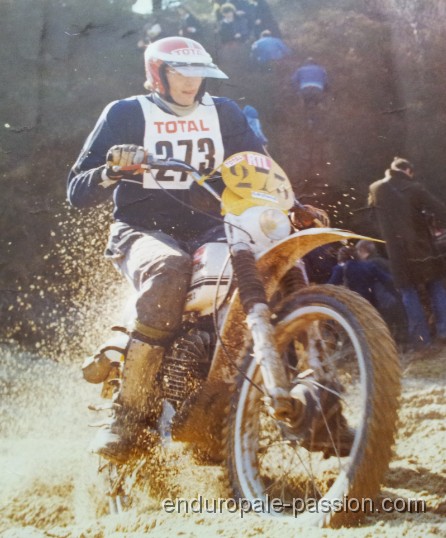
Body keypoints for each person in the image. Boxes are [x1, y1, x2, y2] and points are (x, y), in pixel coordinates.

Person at [67, 36, 324, 463]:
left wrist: (292, 205)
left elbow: (258, 166)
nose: (191, 82)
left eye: (197, 73)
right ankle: (127, 416)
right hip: (142, 229)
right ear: (158, 74)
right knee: (170, 267)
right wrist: (112, 170)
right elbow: (76, 190)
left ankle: (319, 401)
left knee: (274, 260)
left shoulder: (224, 112)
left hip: (213, 227)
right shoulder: (125, 113)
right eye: (180, 73)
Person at [368, 156, 446, 349]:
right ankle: (444, 331)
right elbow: (440, 211)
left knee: (408, 293)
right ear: (408, 171)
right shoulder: (414, 188)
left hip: (397, 253)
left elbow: (372, 218)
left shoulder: (376, 189)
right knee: (435, 286)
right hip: (422, 250)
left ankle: (422, 340)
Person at [355, 240, 408, 345]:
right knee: (401, 325)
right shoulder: (383, 260)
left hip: (383, 301)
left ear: (362, 250)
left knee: (387, 328)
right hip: (395, 298)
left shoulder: (368, 264)